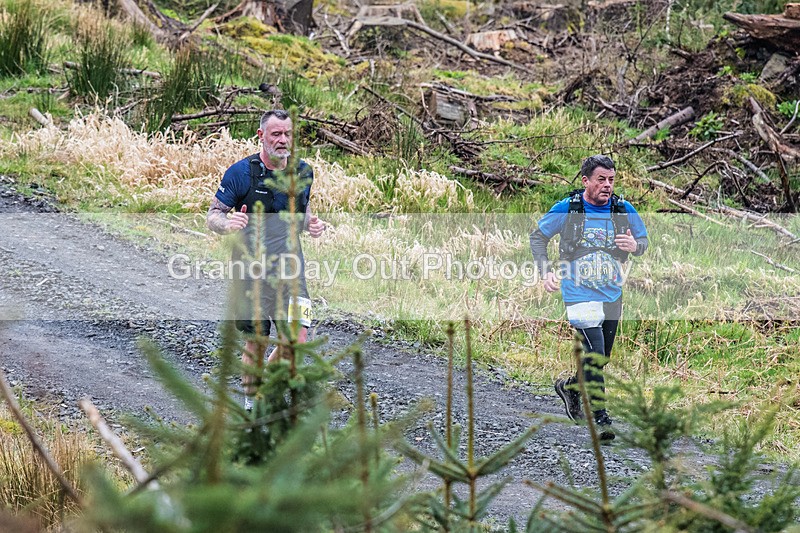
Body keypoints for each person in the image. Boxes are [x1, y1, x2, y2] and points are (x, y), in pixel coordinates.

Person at [207, 109, 325, 410]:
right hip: (250, 269)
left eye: (287, 134)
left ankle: (265, 390)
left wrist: (311, 224)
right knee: (257, 341)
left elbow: (301, 212)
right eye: (276, 134)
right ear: (261, 136)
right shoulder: (241, 173)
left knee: (297, 338)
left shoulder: (303, 172)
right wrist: (228, 224)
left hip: (291, 267)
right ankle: (252, 407)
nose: (283, 140)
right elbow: (213, 215)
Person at [529, 154, 648, 441]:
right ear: (586, 180)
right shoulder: (568, 208)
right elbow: (538, 237)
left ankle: (571, 387)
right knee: (594, 353)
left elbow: (643, 242)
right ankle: (600, 418)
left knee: (602, 357)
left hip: (611, 292)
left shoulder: (622, 209)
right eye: (601, 179)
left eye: (611, 180)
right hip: (577, 291)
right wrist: (545, 271)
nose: (607, 185)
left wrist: (634, 246)